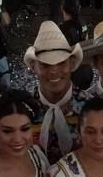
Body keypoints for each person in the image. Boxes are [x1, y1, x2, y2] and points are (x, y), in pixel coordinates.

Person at [24, 21, 89, 165]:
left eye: (61, 63)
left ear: (71, 64)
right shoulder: (23, 110)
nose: (54, 71)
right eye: (45, 65)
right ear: (34, 67)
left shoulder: (90, 107)